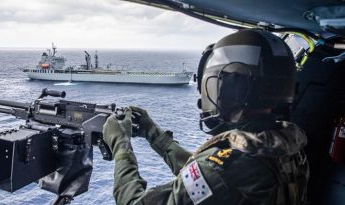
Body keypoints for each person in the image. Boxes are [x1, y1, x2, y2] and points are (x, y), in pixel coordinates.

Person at [102, 30, 309, 205]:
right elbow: (202, 175)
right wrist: (153, 134)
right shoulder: (286, 147)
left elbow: (133, 202)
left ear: (227, 88)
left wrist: (121, 143)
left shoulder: (232, 165)